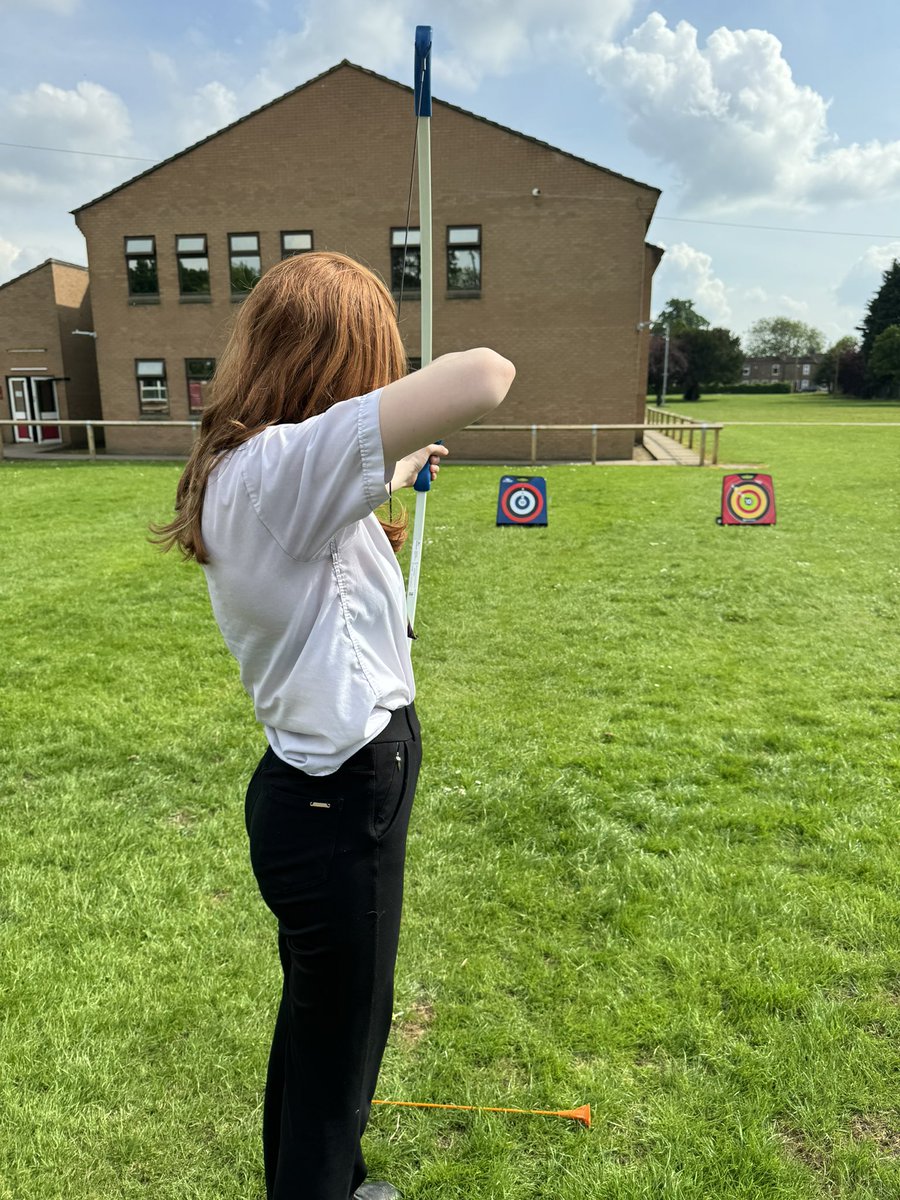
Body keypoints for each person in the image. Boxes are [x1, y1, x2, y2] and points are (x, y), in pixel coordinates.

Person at [152, 251, 515, 1200]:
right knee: (339, 1046)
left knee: (326, 1027)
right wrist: (404, 416)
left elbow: (337, 489)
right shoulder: (283, 468)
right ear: (337, 359)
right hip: (338, 799)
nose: (386, 379)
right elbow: (485, 375)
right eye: (376, 359)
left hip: (313, 797)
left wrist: (401, 462)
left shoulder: (254, 470)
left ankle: (335, 1182)